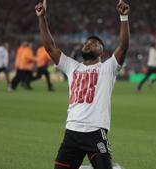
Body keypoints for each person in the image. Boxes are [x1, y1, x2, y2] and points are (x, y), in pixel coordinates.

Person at [35, 0, 129, 168]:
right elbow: (49, 47)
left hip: (95, 131)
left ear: (101, 52)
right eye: (86, 42)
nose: (88, 43)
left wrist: (124, 17)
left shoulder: (107, 68)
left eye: (94, 43)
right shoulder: (72, 66)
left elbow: (123, 46)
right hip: (72, 131)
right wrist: (42, 18)